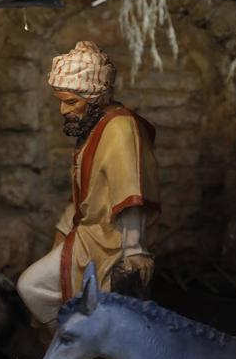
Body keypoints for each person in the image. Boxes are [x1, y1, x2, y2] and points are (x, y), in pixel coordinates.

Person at [17, 41, 160, 332]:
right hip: (86, 236)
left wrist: (133, 248)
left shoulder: (120, 128)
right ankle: (74, 347)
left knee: (109, 313)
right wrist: (62, 232)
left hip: (112, 240)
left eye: (71, 102)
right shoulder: (93, 128)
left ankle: (91, 358)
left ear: (95, 99)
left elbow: (130, 189)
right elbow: (84, 196)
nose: (63, 109)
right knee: (31, 287)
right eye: (60, 100)